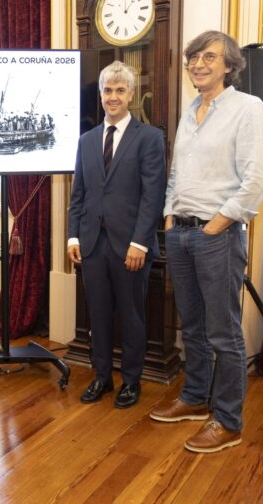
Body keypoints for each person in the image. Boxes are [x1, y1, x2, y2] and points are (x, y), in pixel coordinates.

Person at [149, 31, 263, 453]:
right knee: (193, 327)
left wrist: (216, 224)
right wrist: (169, 217)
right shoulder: (190, 110)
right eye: (193, 58)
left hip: (215, 235)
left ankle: (228, 421)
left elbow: (256, 181)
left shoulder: (248, 109)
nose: (198, 64)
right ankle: (196, 399)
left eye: (208, 57)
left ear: (228, 65)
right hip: (180, 232)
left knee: (224, 332)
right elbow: (177, 172)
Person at [67, 61, 166, 409]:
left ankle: (132, 381)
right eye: (107, 90)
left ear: (131, 95)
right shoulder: (86, 140)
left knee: (131, 315)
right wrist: (72, 237)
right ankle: (102, 377)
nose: (113, 97)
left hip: (131, 247)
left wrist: (141, 242)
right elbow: (78, 193)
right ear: (101, 94)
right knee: (98, 313)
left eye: (120, 90)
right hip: (92, 244)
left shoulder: (150, 138)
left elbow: (153, 196)